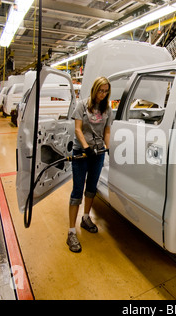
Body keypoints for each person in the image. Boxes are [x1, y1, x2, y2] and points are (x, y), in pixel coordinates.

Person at [67, 77, 112, 253]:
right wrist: (86, 147)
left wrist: (108, 147)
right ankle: (71, 231)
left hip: (98, 153)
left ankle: (85, 218)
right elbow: (78, 129)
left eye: (106, 91)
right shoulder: (82, 106)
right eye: (100, 90)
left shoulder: (107, 108)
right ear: (94, 90)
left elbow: (107, 131)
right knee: (77, 190)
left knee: (91, 187)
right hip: (81, 152)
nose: (103, 94)